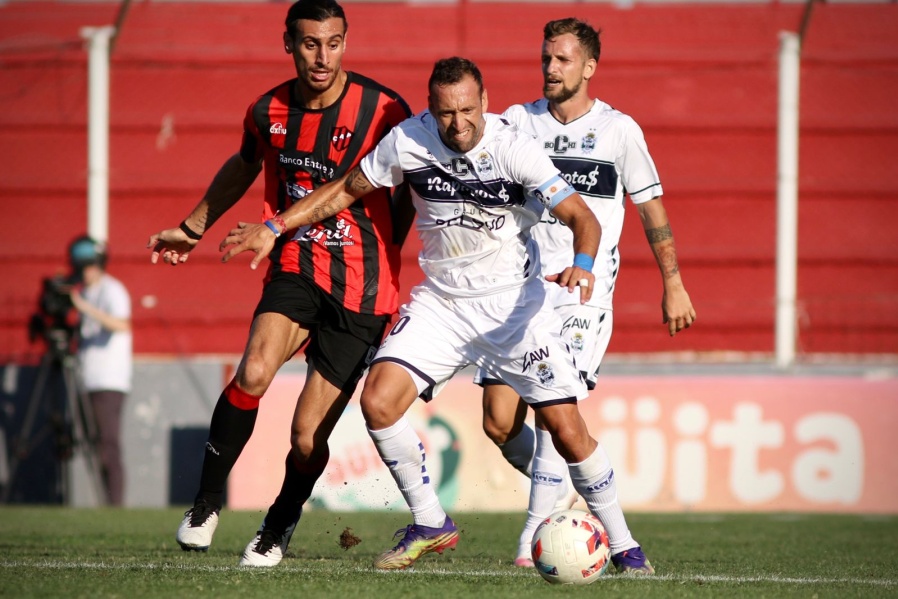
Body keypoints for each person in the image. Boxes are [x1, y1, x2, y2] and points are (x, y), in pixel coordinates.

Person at [219, 56, 653, 574]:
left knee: (566, 430)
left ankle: (626, 546)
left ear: (485, 104)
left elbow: (582, 217)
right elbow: (344, 190)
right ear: (431, 108)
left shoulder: (516, 149)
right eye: (446, 113)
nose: (458, 123)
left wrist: (583, 265)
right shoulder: (408, 141)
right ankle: (430, 522)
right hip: (442, 304)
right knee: (378, 402)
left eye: (468, 110)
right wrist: (276, 225)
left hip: (513, 307)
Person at [145, 0, 412, 566]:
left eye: (334, 42)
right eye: (310, 43)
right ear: (287, 43)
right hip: (295, 263)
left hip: (365, 289)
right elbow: (244, 163)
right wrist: (195, 226)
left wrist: (394, 247)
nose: (323, 56)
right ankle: (206, 501)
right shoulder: (267, 110)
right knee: (256, 370)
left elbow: (411, 187)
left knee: (306, 437)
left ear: (346, 41)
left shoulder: (384, 109)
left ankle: (279, 523)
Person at [479, 18, 696, 569]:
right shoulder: (516, 123)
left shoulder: (619, 130)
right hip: (520, 291)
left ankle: (535, 538)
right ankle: (573, 492)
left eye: (564, 60)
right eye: (546, 58)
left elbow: (651, 210)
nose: (551, 68)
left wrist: (672, 282)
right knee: (498, 422)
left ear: (589, 67)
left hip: (584, 294)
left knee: (555, 409)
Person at [67, 235, 132, 506]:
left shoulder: (111, 290)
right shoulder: (85, 292)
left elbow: (122, 324)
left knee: (108, 443)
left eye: (89, 266)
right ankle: (104, 502)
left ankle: (114, 504)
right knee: (94, 443)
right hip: (87, 378)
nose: (85, 272)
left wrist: (84, 308)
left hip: (108, 379)